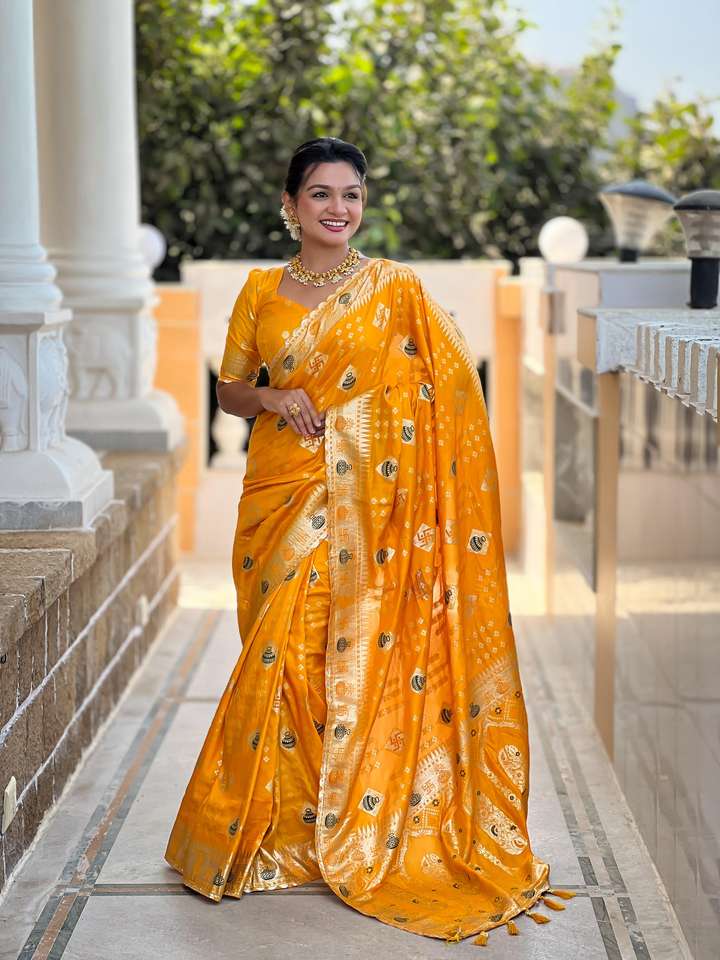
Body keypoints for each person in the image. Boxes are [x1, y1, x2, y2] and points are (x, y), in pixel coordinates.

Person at [164, 137, 573, 946]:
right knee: (280, 655)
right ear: (291, 205)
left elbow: (441, 390)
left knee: (325, 646)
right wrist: (275, 399)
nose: (338, 208)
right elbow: (231, 389)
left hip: (372, 509)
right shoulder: (260, 290)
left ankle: (350, 821)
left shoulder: (395, 290)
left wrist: (376, 444)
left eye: (350, 194)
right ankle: (284, 833)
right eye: (320, 194)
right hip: (277, 496)